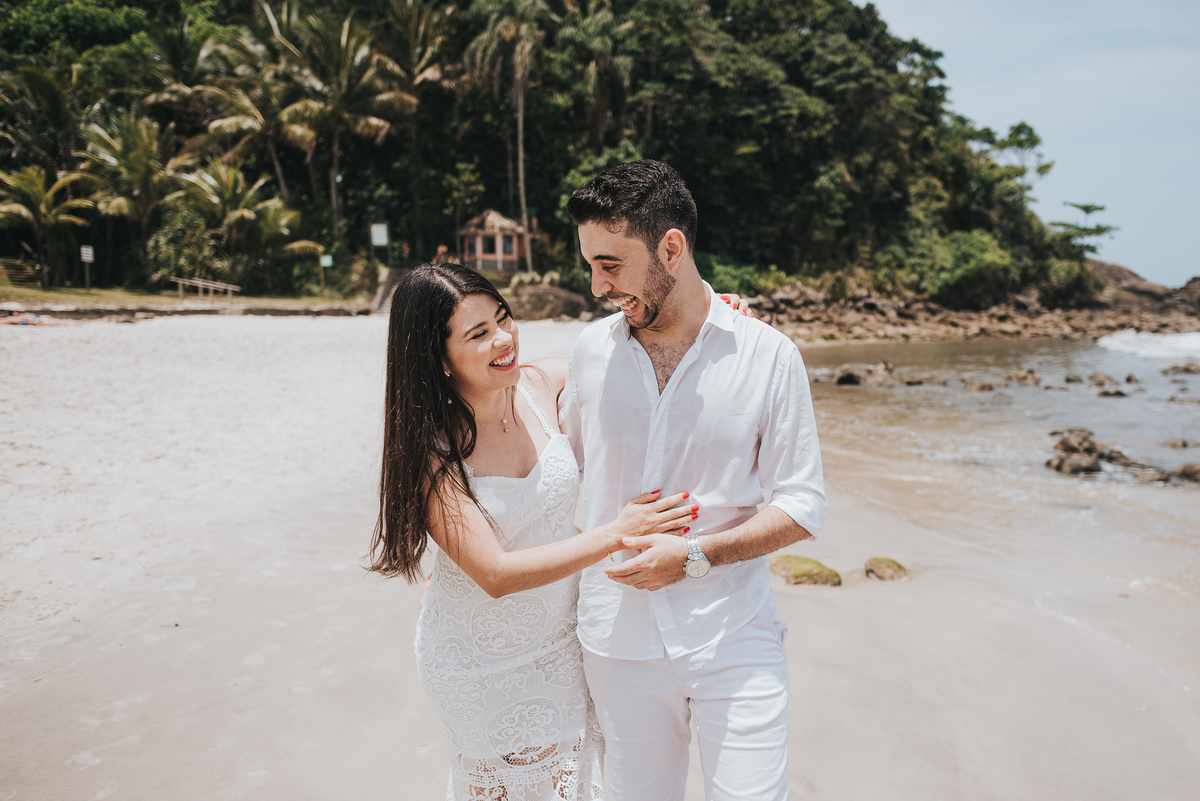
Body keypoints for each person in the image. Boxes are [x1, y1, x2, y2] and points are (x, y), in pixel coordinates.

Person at [369, 262, 698, 800]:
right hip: (478, 662)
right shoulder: (432, 453)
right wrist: (617, 532)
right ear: (438, 358)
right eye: (478, 333)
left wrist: (710, 312)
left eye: (503, 318)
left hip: (563, 645)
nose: (504, 339)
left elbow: (635, 351)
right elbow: (495, 574)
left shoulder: (542, 383)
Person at [560, 159, 828, 800]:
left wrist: (695, 557)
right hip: (616, 639)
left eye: (610, 264)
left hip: (734, 633)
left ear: (671, 249)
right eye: (590, 265)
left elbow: (802, 503)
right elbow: (560, 475)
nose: (597, 286)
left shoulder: (768, 356)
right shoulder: (589, 352)